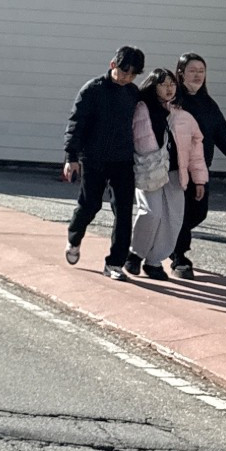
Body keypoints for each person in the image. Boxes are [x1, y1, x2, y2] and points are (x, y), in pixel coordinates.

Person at [169, 52, 226, 278]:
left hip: (200, 169)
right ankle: (179, 257)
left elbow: (222, 134)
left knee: (199, 212)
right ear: (181, 73)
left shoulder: (208, 103)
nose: (198, 75)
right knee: (182, 212)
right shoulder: (173, 100)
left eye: (201, 71)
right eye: (192, 71)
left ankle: (170, 245)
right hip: (174, 168)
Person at [62, 45, 145, 279]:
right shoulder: (92, 90)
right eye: (124, 72)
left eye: (132, 75)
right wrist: (71, 158)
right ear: (112, 65)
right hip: (93, 158)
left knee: (124, 210)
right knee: (90, 204)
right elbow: (75, 123)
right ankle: (74, 238)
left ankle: (115, 263)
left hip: (122, 160)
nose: (127, 78)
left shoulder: (132, 93)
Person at [127, 67, 207, 280]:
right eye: (163, 84)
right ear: (153, 86)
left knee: (173, 218)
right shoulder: (139, 109)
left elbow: (196, 150)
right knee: (151, 213)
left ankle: (154, 262)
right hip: (148, 170)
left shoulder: (184, 116)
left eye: (172, 84)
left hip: (174, 173)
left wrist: (199, 179)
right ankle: (135, 254)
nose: (169, 88)